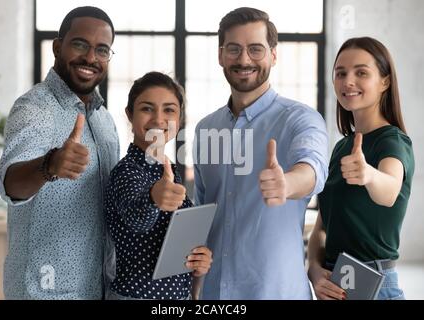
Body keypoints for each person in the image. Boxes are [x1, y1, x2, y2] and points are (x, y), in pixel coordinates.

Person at [193, 7, 329, 299]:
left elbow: (314, 168)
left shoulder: (301, 119)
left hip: (276, 292)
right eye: (234, 49)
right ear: (220, 55)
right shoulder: (205, 128)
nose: (244, 60)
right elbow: (201, 213)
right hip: (215, 294)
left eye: (256, 49)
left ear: (273, 55)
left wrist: (287, 184)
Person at [0, 6, 119, 299]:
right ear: (57, 47)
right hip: (44, 291)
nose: (91, 57)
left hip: (95, 288)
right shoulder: (35, 109)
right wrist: (50, 165)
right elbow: (10, 185)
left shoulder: (105, 120)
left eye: (102, 50)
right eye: (80, 44)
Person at [307, 37, 414, 300]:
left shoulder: (393, 141)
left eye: (361, 72)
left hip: (374, 285)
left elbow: (389, 189)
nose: (348, 81)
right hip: (334, 283)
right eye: (340, 73)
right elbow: (322, 225)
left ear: (385, 82)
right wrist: (314, 270)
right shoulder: (342, 148)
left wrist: (368, 175)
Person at [104, 72, 212, 300]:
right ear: (129, 115)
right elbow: (137, 217)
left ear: (180, 120)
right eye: (147, 109)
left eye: (169, 110)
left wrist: (198, 261)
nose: (158, 119)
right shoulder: (127, 171)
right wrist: (154, 198)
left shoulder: (167, 171)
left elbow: (177, 241)